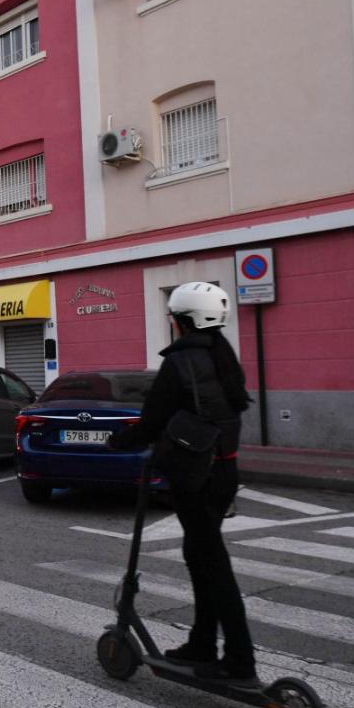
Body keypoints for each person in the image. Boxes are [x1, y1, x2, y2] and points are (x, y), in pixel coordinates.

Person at [107, 281, 257, 685]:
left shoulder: (181, 363)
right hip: (223, 472)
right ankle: (202, 644)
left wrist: (118, 441)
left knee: (214, 567)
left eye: (174, 316)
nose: (172, 322)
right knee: (200, 558)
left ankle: (241, 662)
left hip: (196, 477)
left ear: (184, 320)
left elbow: (152, 421)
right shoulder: (223, 355)